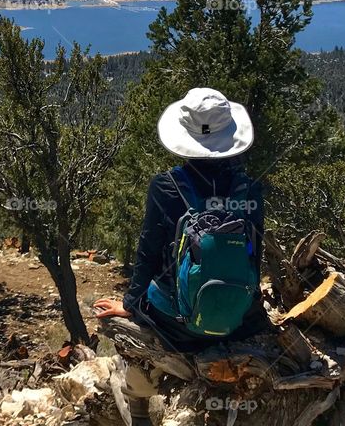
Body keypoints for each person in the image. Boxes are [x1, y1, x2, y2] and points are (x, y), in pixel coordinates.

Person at [94, 88, 268, 424]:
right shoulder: (250, 190)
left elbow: (147, 250)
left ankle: (140, 404)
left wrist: (131, 305)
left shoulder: (166, 185)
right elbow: (254, 256)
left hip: (178, 325)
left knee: (136, 336)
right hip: (238, 322)